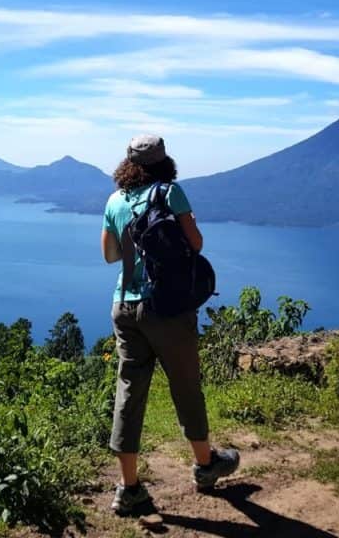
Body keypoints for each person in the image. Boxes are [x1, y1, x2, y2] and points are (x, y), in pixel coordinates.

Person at [101, 133, 239, 516]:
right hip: (167, 308)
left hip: (124, 307)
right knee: (185, 386)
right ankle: (206, 464)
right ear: (165, 161)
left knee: (129, 392)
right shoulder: (169, 193)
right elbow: (195, 243)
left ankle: (128, 488)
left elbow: (110, 255)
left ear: (127, 163)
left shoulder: (114, 200)